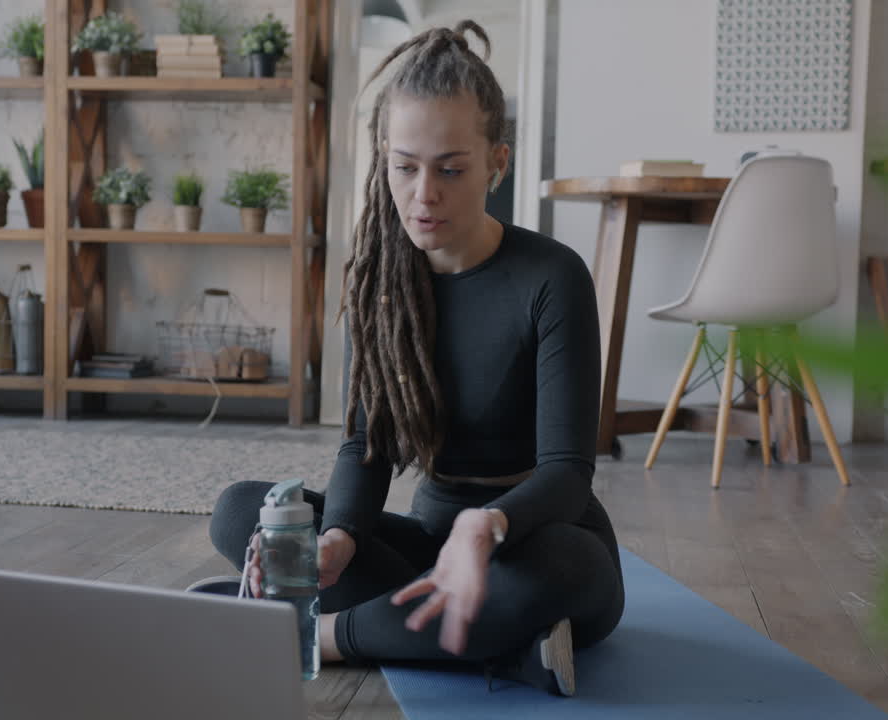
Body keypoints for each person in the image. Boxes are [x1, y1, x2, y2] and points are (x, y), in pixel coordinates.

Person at [206, 19, 624, 697]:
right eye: (404, 167)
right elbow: (364, 448)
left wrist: (486, 529)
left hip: (540, 542)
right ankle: (495, 646)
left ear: (498, 162)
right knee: (242, 511)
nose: (423, 194)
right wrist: (339, 538)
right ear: (385, 160)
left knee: (556, 574)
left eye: (450, 169)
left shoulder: (553, 277)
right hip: (429, 548)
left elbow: (569, 474)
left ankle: (322, 635)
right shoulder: (381, 278)